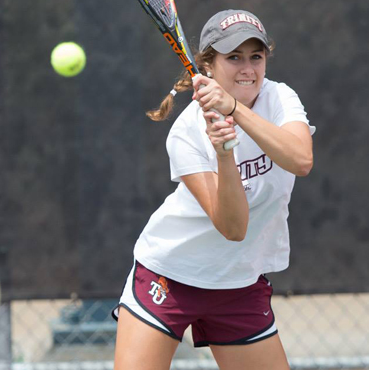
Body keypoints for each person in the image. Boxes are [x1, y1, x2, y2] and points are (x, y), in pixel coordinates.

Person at [112, 9, 315, 370]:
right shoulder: (187, 132)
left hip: (239, 282)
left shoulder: (280, 99)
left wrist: (234, 110)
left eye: (256, 56)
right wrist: (224, 155)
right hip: (170, 274)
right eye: (233, 57)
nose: (247, 68)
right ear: (208, 65)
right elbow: (232, 228)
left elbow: (300, 160)